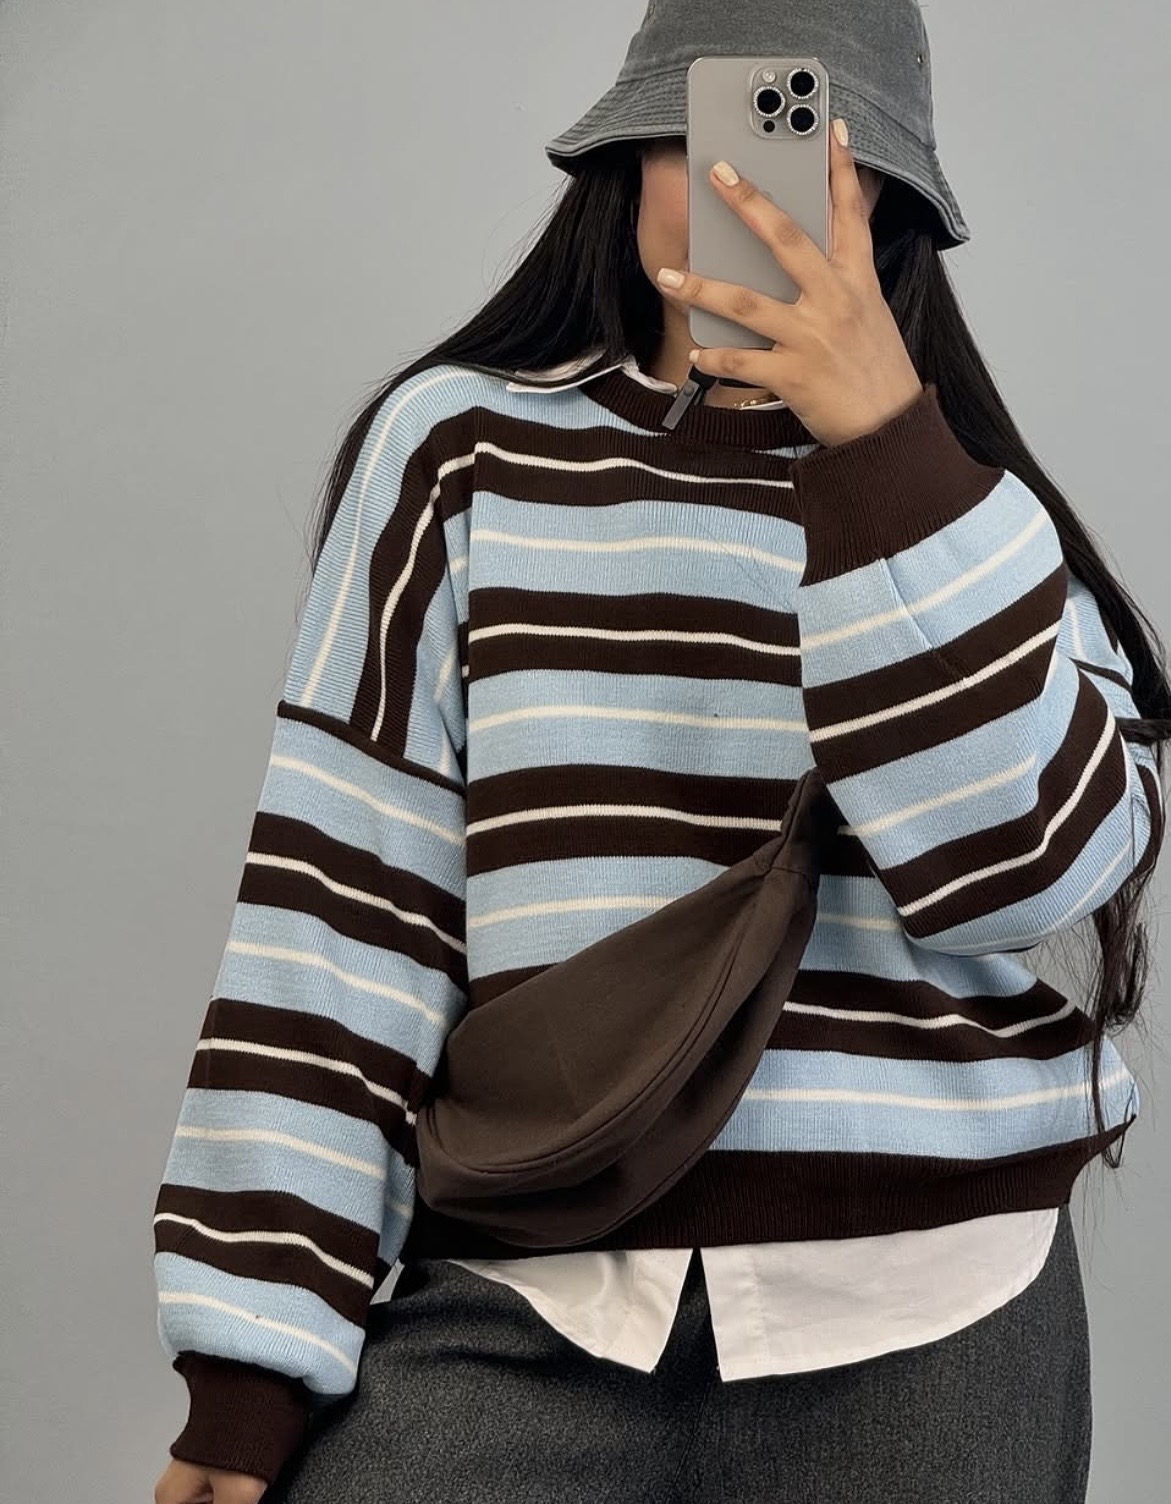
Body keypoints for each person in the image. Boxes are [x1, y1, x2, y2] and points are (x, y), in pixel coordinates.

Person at [150, 2, 1171, 1501]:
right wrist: (248, 1370)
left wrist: (885, 454)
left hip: (935, 1308)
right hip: (530, 1291)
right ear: (629, 157)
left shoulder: (968, 510)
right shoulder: (458, 454)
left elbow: (1024, 881)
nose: (757, 184)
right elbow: (341, 911)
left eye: (814, 148)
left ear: (887, 201)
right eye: (718, 130)